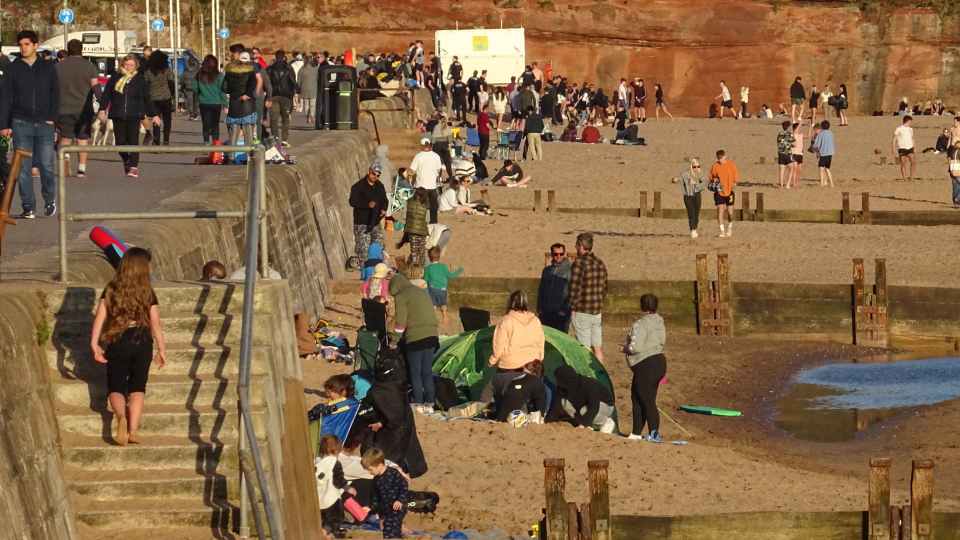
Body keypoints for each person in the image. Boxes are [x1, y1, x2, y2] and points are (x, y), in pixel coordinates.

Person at [89, 247, 167, 446]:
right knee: (138, 388)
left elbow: (100, 317)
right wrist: (161, 349)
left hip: (118, 340)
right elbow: (156, 323)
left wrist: (94, 344)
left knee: (116, 387)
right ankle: (132, 431)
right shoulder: (147, 291)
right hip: (142, 341)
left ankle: (121, 417)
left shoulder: (112, 289)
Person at [0, 30, 60, 218]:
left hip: (44, 123)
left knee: (46, 165)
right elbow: (6, 98)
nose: (23, 48)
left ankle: (49, 199)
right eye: (21, 44)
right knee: (23, 168)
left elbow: (55, 93)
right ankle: (28, 206)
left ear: (35, 45)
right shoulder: (13, 68)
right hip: (20, 122)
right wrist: (4, 124)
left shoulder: (48, 67)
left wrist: (53, 117)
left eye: (27, 44)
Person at [98, 55, 159, 179]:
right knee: (120, 143)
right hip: (117, 114)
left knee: (133, 142)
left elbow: (147, 98)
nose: (129, 67)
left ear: (135, 66)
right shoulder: (115, 78)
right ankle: (127, 159)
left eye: (131, 65)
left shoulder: (140, 79)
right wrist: (102, 109)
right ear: (122, 65)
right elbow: (106, 95)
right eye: (127, 65)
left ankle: (134, 167)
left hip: (134, 114)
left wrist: (154, 115)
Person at [389, 271, 439, 413]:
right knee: (427, 372)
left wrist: (395, 341)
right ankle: (430, 403)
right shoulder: (421, 291)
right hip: (432, 335)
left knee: (415, 372)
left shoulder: (401, 295)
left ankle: (418, 403)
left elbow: (401, 322)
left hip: (415, 337)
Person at [489, 290, 546, 407]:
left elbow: (498, 346)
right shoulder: (535, 320)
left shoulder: (506, 321)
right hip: (532, 366)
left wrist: (492, 361)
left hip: (510, 365)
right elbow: (541, 343)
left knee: (495, 384)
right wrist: (539, 359)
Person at [624, 293, 666, 442]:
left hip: (646, 365)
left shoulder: (640, 324)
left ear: (642, 306)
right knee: (637, 397)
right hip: (660, 362)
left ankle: (654, 433)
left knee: (646, 399)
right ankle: (636, 433)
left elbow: (636, 347)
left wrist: (626, 348)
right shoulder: (659, 321)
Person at [56, 39, 98, 178]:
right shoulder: (89, 66)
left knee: (66, 137)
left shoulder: (59, 66)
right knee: (82, 138)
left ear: (68, 50)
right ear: (82, 49)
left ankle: (65, 161)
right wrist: (102, 104)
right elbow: (95, 86)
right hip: (83, 109)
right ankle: (81, 169)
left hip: (63, 108)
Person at [569, 232, 608, 362]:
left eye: (576, 245)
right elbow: (605, 287)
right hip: (597, 311)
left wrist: (571, 306)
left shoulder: (579, 263)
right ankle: (600, 375)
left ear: (580, 245)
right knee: (597, 348)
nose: (575, 247)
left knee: (584, 349)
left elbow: (574, 288)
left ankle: (588, 378)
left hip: (582, 310)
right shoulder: (600, 263)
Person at [552, 365, 616, 433]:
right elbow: (557, 403)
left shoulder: (589, 385)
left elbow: (594, 407)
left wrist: (583, 425)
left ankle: (605, 421)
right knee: (564, 402)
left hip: (605, 406)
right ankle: (588, 424)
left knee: (584, 410)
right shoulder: (562, 387)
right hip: (586, 406)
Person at [362, 448, 408, 539]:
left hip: (398, 508)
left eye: (370, 469)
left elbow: (404, 486)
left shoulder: (393, 473)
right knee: (387, 531)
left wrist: (400, 500)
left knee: (391, 529)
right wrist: (370, 508)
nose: (369, 472)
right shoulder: (375, 480)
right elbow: (375, 498)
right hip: (386, 510)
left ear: (379, 465)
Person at [222, 46, 257, 162]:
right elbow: (253, 85)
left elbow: (224, 88)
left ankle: (231, 157)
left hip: (234, 105)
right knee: (248, 134)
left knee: (234, 134)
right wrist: (246, 94)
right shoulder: (251, 71)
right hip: (247, 105)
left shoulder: (229, 71)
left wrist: (234, 92)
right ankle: (250, 157)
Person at [349, 163, 388, 266]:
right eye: (373, 174)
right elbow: (352, 202)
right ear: (369, 172)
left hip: (375, 223)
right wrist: (367, 205)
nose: (375, 177)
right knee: (363, 251)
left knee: (378, 248)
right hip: (362, 223)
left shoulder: (380, 186)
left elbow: (385, 200)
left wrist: (384, 209)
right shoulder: (358, 186)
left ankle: (378, 270)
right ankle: (363, 271)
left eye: (378, 175)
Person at [315, 435, 348, 538]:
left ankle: (326, 532)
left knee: (324, 519)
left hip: (319, 498)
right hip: (331, 498)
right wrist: (347, 487)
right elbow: (338, 480)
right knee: (336, 518)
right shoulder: (335, 462)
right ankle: (324, 533)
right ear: (336, 449)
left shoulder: (317, 462)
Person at [423, 246, 462, 327]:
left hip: (432, 289)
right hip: (442, 289)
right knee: (443, 304)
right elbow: (451, 275)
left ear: (429, 257)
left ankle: (432, 318)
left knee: (433, 304)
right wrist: (459, 270)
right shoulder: (443, 266)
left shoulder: (427, 268)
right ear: (439, 256)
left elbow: (425, 279)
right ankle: (445, 316)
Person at [408, 137, 444, 223]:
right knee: (433, 207)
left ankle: (420, 222)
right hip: (432, 186)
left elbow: (411, 171)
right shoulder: (436, 156)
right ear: (430, 145)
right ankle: (433, 222)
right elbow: (439, 170)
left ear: (422, 146)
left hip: (420, 186)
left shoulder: (418, 156)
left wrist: (410, 180)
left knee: (420, 206)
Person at [537, 243, 572, 332]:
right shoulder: (546, 270)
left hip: (561, 313)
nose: (558, 256)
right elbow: (541, 290)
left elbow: (573, 292)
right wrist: (539, 308)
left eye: (561, 254)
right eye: (556, 254)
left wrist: (565, 309)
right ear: (552, 255)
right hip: (546, 312)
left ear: (564, 254)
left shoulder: (570, 270)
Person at [193, 55, 227, 144]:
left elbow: (195, 88)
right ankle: (215, 143)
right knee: (215, 124)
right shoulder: (219, 76)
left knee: (206, 123)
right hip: (216, 103)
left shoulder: (199, 75)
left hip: (204, 102)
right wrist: (225, 104)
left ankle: (206, 142)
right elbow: (222, 91)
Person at [266, 50, 297, 145]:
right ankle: (284, 139)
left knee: (274, 118)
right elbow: (293, 81)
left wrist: (267, 96)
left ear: (275, 57)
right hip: (286, 96)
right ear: (284, 57)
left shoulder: (270, 68)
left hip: (273, 96)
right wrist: (296, 91)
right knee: (285, 118)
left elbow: (267, 83)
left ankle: (275, 138)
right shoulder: (289, 68)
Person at [144, 50, 174, 146]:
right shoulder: (166, 70)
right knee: (167, 120)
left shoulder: (148, 71)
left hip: (153, 98)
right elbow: (171, 83)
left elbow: (145, 84)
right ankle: (166, 140)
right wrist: (172, 95)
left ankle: (156, 140)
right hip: (166, 97)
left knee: (155, 120)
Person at [709, 149, 739, 237]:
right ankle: (722, 231)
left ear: (725, 156)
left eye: (721, 158)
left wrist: (735, 183)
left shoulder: (731, 165)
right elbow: (711, 178)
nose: (720, 160)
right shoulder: (715, 166)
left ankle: (729, 228)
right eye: (718, 158)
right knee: (720, 211)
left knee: (730, 212)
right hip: (719, 192)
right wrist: (714, 181)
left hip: (729, 192)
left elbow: (736, 176)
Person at [397, 188, 429, 267]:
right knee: (421, 252)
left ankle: (412, 268)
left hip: (411, 230)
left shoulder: (408, 202)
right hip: (422, 231)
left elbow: (404, 216)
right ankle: (420, 270)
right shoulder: (426, 205)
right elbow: (428, 219)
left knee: (414, 251)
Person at [679, 157, 706, 238]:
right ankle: (692, 230)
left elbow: (704, 184)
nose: (696, 168)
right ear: (691, 166)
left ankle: (695, 228)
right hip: (688, 196)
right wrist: (675, 180)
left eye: (698, 166)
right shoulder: (685, 174)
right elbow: (680, 181)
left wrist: (696, 185)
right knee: (691, 213)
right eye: (694, 166)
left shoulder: (701, 174)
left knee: (696, 213)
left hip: (697, 195)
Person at [811, 120, 835, 187]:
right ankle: (832, 183)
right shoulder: (831, 133)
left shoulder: (821, 134)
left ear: (822, 127)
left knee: (821, 168)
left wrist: (813, 148)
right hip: (830, 153)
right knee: (827, 169)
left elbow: (816, 145)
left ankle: (822, 184)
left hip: (823, 153)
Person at [298, 55, 320, 125]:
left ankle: (308, 116)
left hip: (304, 89)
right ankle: (312, 116)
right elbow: (318, 79)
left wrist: (298, 89)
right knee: (312, 104)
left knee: (306, 104)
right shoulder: (315, 69)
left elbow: (299, 81)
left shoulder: (301, 69)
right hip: (313, 89)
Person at [893, 115, 916, 180]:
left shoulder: (910, 129)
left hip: (910, 147)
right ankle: (904, 177)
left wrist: (914, 147)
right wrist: (893, 148)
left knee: (913, 162)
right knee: (903, 163)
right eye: (910, 122)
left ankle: (911, 177)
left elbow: (912, 138)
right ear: (907, 121)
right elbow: (894, 139)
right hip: (902, 148)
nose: (911, 123)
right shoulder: (899, 129)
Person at [777, 120, 795, 189]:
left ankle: (781, 185)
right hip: (787, 153)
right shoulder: (789, 134)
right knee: (791, 168)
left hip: (780, 153)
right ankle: (787, 184)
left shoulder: (779, 134)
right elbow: (794, 144)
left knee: (782, 170)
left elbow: (779, 143)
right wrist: (790, 145)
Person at [790, 121, 805, 188]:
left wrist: (810, 126)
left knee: (799, 170)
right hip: (794, 153)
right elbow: (795, 131)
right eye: (798, 128)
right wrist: (800, 123)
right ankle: (793, 183)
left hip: (800, 154)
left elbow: (809, 135)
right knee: (794, 169)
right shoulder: (793, 134)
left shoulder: (800, 135)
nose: (799, 129)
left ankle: (797, 182)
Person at [949, 141, 960, 208]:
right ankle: (957, 199)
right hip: (957, 170)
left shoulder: (952, 151)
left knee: (955, 186)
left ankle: (955, 202)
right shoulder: (958, 152)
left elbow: (949, 159)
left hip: (952, 170)